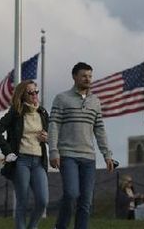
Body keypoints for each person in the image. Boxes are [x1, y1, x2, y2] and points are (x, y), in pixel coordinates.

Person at [48, 62, 115, 229]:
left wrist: (107, 155)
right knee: (71, 194)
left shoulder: (95, 101)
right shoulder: (62, 98)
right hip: (67, 155)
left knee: (86, 201)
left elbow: (99, 129)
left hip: (89, 158)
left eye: (90, 76)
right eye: (84, 75)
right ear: (74, 76)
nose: (88, 79)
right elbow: (54, 124)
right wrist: (53, 151)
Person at [0, 80, 49, 229]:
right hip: (21, 161)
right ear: (23, 95)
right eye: (30, 92)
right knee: (22, 201)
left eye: (36, 91)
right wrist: (8, 151)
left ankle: (32, 227)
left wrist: (47, 138)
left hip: (38, 162)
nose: (35, 95)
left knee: (43, 201)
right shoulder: (15, 113)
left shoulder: (42, 112)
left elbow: (51, 137)